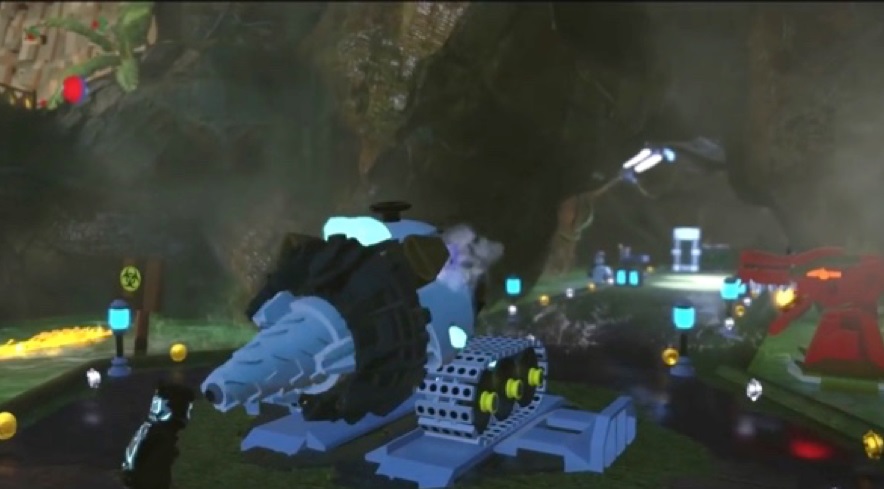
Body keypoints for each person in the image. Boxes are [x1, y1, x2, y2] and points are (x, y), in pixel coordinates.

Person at [121, 380, 195, 489]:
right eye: (187, 409)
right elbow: (154, 480)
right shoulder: (162, 439)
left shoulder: (150, 428)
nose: (188, 415)